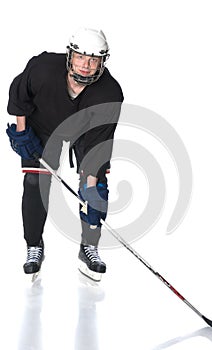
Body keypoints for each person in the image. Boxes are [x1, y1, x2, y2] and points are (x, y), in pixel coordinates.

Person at [6, 27, 124, 281]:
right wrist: (23, 132)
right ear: (70, 55)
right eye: (81, 57)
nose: (86, 65)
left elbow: (99, 143)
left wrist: (91, 187)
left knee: (96, 190)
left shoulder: (110, 93)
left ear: (102, 62)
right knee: (35, 181)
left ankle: (88, 246)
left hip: (85, 133)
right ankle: (34, 245)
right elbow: (20, 94)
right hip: (43, 126)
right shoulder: (42, 68)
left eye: (94, 60)